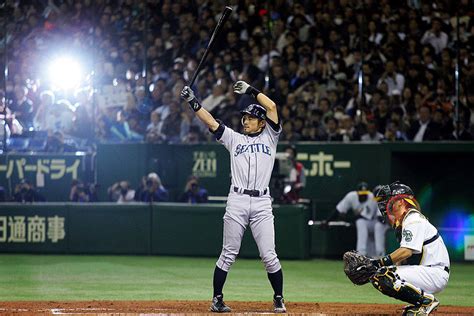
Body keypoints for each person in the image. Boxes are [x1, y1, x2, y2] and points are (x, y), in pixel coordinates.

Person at [180, 80, 286, 313]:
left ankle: (278, 297)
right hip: (237, 200)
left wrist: (250, 91)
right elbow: (211, 122)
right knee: (228, 253)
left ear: (261, 122)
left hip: (261, 202)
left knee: (269, 255)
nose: (245, 121)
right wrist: (192, 101)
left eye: (249, 118)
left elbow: (272, 107)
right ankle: (217, 299)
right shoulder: (233, 139)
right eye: (244, 118)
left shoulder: (270, 136)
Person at [370, 181, 450, 315]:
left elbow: (406, 252)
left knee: (384, 274)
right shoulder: (405, 220)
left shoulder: (413, 219)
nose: (384, 205)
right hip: (427, 271)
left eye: (389, 200)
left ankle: (426, 301)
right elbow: (404, 258)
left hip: (434, 273)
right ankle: (420, 302)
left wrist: (379, 263)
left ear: (401, 202)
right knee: (380, 275)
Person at [322, 182, 386, 257]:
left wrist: (346, 218)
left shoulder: (372, 197)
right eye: (361, 194)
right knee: (360, 223)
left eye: (365, 194)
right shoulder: (351, 196)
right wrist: (327, 221)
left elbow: (363, 216)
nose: (363, 195)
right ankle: (361, 254)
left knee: (369, 224)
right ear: (357, 193)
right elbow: (338, 210)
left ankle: (379, 254)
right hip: (366, 222)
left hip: (376, 222)